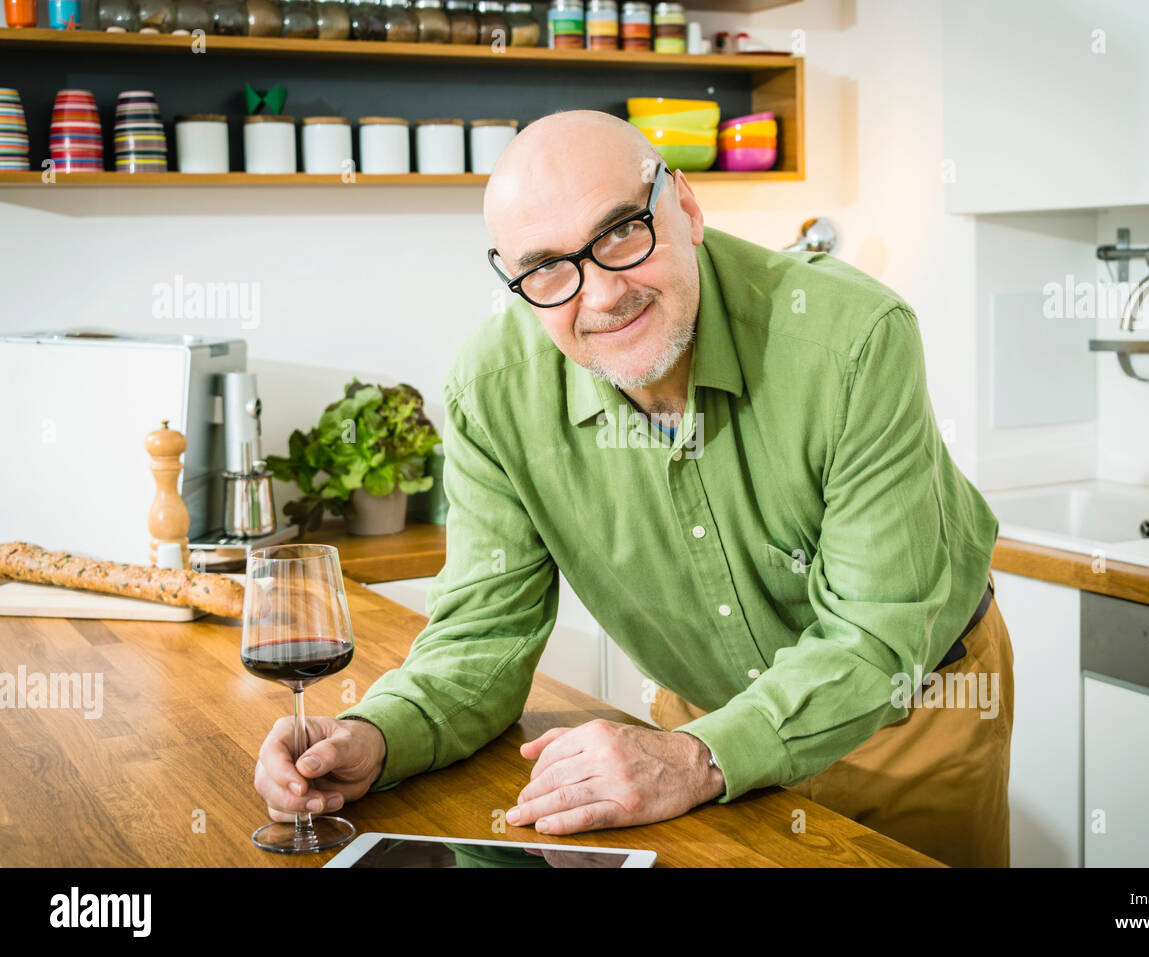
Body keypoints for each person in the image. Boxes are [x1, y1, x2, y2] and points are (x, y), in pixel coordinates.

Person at [252, 109, 1015, 867]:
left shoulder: (852, 338)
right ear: (516, 281)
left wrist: (693, 758)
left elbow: (874, 637)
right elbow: (481, 637)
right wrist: (376, 735)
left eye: (620, 231)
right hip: (698, 725)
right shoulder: (492, 390)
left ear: (684, 206)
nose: (602, 294)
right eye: (547, 266)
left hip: (910, 718)